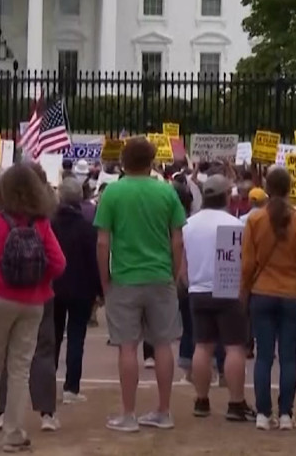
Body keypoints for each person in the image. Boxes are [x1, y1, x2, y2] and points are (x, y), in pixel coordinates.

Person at [0, 164, 66, 451]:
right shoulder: (40, 221)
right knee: (20, 368)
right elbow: (59, 263)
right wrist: (39, 280)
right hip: (33, 301)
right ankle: (13, 432)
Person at [95, 138, 186, 433]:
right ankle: (164, 410)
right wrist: (172, 274)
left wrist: (104, 280)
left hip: (125, 277)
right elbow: (177, 239)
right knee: (162, 344)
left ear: (123, 161)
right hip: (160, 275)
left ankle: (129, 413)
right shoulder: (166, 192)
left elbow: (103, 241)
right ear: (152, 161)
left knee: (127, 346)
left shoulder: (113, 193)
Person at [241, 166, 296, 431]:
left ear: (267, 188)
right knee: (288, 357)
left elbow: (248, 263)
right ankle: (285, 413)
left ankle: (262, 413)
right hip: (293, 291)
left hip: (262, 291)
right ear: (290, 188)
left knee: (263, 356)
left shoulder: (255, 220)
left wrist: (244, 291)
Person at [182, 175, 256, 422]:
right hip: (228, 289)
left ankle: (201, 399)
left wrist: (188, 282)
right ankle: (236, 402)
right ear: (227, 196)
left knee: (203, 346)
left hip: (198, 289)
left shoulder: (188, 224)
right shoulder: (236, 225)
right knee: (235, 347)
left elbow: (182, 263)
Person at [50, 178, 101, 406]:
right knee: (76, 338)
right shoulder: (88, 229)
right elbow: (95, 262)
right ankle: (71, 387)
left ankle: (47, 385)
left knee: (52, 338)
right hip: (81, 289)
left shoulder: (50, 225)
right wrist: (100, 290)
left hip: (54, 288)